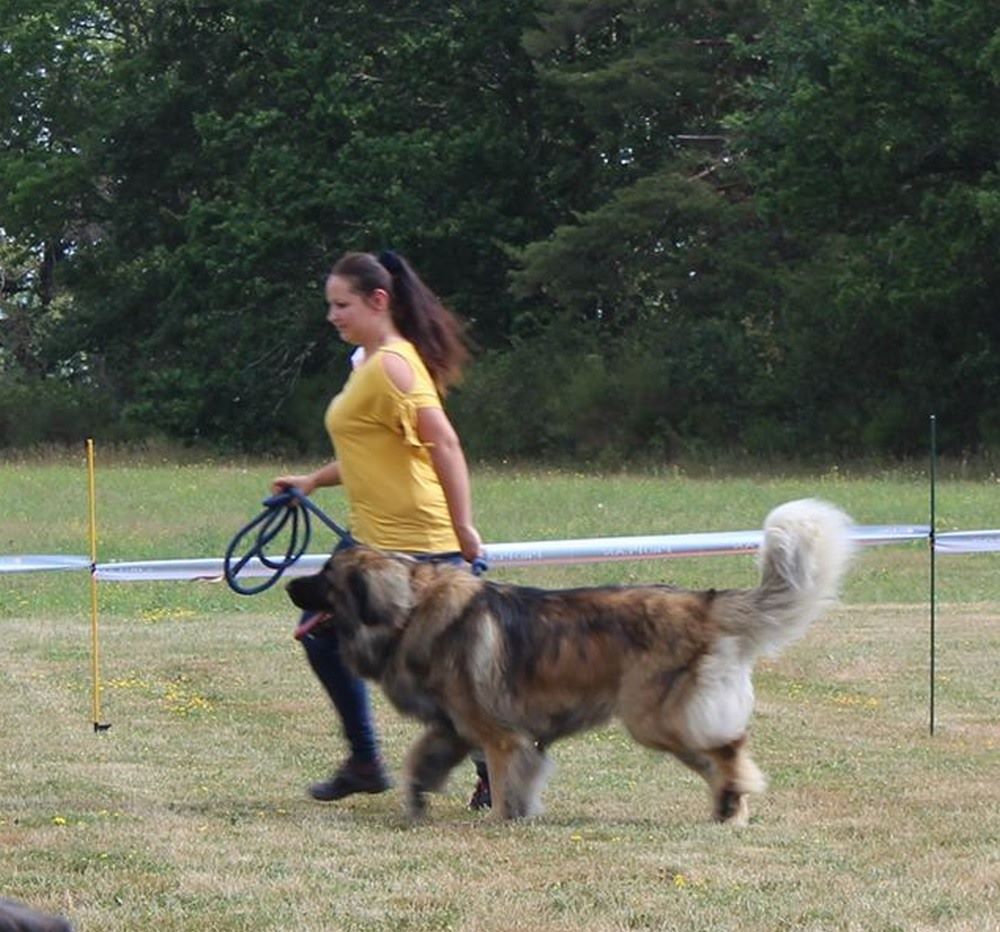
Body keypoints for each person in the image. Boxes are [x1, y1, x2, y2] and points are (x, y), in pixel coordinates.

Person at [271, 250, 492, 810]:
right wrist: (312, 481)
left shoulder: (395, 364)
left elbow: (442, 442)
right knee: (323, 634)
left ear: (378, 301)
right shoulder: (364, 365)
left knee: (441, 664)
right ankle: (367, 761)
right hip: (372, 535)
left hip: (418, 538)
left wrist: (463, 528)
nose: (332, 316)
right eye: (330, 305)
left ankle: (495, 763)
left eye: (341, 305)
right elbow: (371, 451)